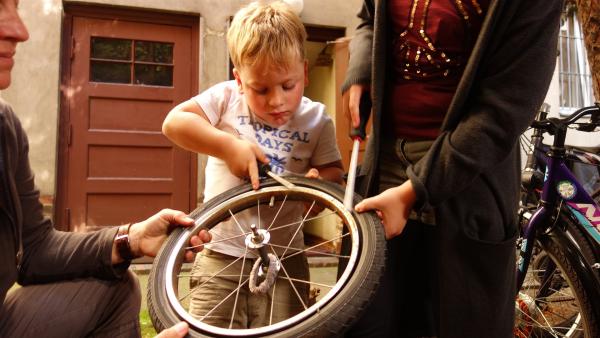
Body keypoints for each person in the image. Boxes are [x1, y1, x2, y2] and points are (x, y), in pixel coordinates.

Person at [342, 0, 563, 337]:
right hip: (381, 166)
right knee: (367, 322)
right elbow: (370, 18)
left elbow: (504, 110)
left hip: (468, 179)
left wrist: (414, 191)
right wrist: (360, 70)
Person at [0, 1, 211, 337]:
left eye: (16, 5)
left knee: (114, 287)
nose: (19, 31)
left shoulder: (4, 127)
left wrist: (133, 238)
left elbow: (35, 250)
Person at [161, 0, 344, 329]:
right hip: (220, 254)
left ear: (304, 71)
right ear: (239, 79)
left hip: (286, 259)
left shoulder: (317, 119)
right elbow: (174, 123)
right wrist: (228, 145)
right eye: (260, 89)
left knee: (291, 333)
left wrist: (317, 185)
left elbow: (334, 172)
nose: (277, 101)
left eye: (288, 86)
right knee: (202, 332)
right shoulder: (227, 98)